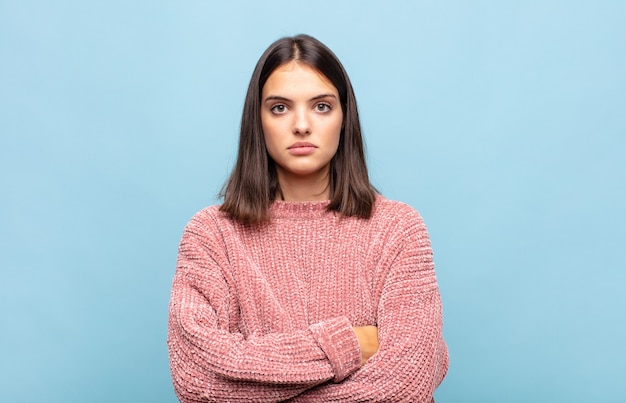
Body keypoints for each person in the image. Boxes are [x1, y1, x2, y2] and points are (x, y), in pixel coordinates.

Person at [167, 34, 448, 402]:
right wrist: (349, 343)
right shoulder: (211, 235)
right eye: (280, 108)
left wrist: (258, 385)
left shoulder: (397, 229)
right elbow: (197, 380)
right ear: (258, 121)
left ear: (345, 118)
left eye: (321, 106)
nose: (301, 125)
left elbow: (407, 382)